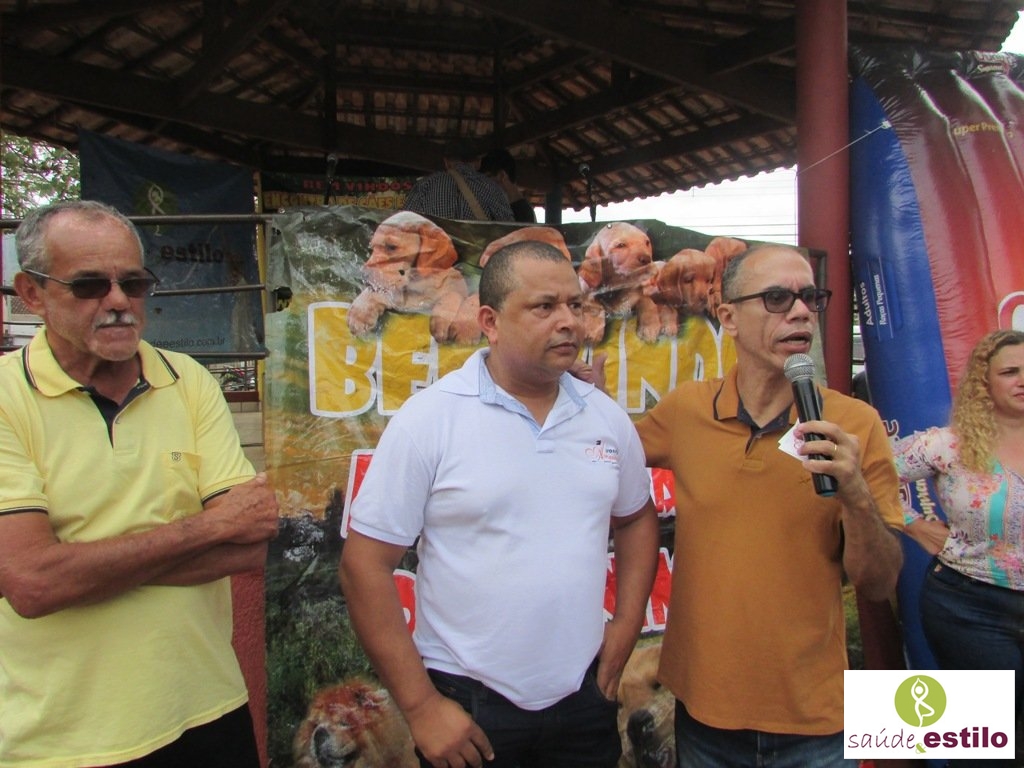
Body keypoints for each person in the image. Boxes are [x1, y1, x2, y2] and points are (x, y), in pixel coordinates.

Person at [338, 239, 659, 768]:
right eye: (544, 307)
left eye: (574, 305)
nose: (569, 322)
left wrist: (626, 625)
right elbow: (363, 567)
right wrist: (421, 707)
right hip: (466, 705)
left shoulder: (604, 417)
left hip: (583, 699)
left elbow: (636, 518)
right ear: (489, 321)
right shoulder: (431, 420)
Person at [0, 200, 280, 767]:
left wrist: (82, 567)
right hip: (63, 740)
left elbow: (247, 547)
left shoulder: (189, 380)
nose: (118, 302)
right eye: (89, 286)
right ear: (32, 293)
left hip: (207, 708)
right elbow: (32, 584)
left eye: (134, 283)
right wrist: (207, 528)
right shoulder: (8, 398)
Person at [635, 244, 905, 766]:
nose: (801, 312)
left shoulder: (855, 425)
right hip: (704, 712)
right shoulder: (687, 410)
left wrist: (854, 494)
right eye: (778, 298)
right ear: (728, 317)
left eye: (810, 297)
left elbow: (878, 583)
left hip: (816, 721)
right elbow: (599, 458)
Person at [893, 329, 1024, 767]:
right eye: (1010, 371)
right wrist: (911, 524)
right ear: (984, 383)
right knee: (981, 750)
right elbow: (869, 471)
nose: (1023, 380)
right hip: (969, 608)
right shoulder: (949, 445)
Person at [403, 138, 516, 222]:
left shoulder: (424, 186)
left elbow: (405, 227)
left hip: (439, 247)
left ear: (446, 162)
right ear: (478, 162)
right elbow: (507, 230)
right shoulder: (493, 189)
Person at [479, 148, 537, 223]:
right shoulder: (521, 209)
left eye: (486, 178)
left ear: (501, 175)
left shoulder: (521, 213)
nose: (483, 185)